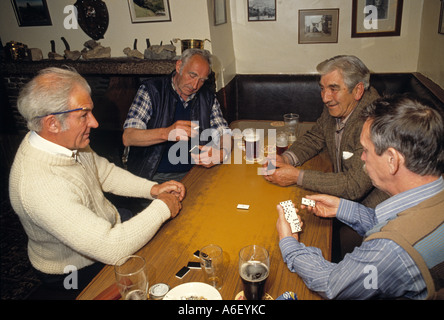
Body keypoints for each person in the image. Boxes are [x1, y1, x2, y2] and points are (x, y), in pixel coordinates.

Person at [9, 67, 185, 299]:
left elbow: (103, 172)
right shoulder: (39, 185)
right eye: (84, 115)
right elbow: (112, 248)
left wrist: (153, 189)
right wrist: (163, 206)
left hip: (106, 230)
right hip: (75, 270)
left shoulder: (64, 140)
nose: (94, 122)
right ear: (52, 123)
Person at [276, 95, 444, 299]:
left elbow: (332, 284)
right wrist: (342, 208)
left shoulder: (390, 250)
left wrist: (289, 242)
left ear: (392, 160)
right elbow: (395, 224)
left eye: (365, 150)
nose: (362, 157)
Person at [265, 55, 389, 260]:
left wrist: (297, 177)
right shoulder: (338, 104)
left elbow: (354, 186)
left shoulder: (374, 122)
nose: (325, 97)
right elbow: (316, 136)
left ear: (358, 90)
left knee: (321, 237)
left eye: (333, 88)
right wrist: (287, 158)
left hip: (375, 212)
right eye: (322, 88)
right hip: (344, 198)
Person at [122, 48, 230, 184]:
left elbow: (224, 133)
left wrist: (221, 153)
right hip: (155, 177)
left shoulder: (207, 97)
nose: (195, 85)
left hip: (197, 171)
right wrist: (166, 133)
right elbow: (128, 137)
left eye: (202, 80)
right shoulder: (152, 90)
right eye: (192, 75)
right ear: (179, 66)